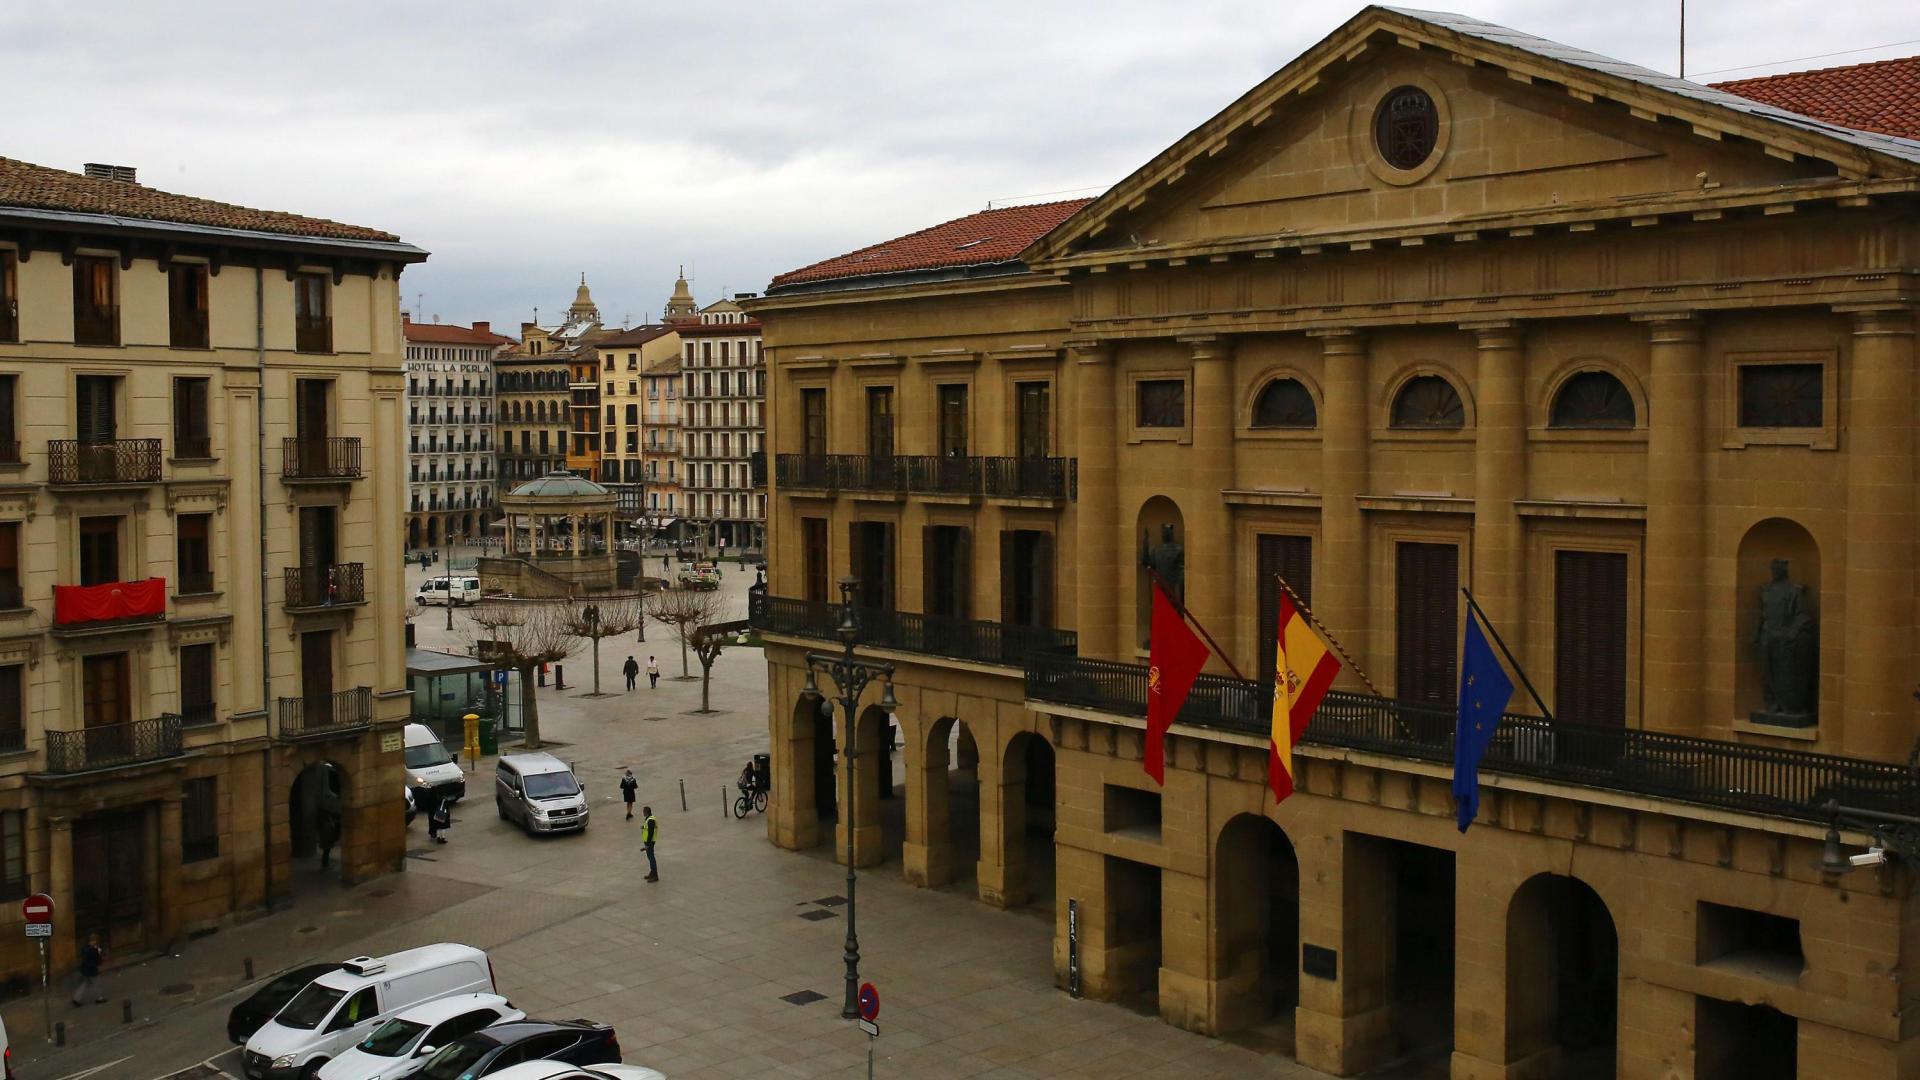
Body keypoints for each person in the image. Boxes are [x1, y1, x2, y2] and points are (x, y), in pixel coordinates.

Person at [71, 933, 104, 1006]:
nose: (94, 942)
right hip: (91, 969)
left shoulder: (86, 948)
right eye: (93, 941)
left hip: (86, 970)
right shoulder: (92, 949)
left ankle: (76, 998)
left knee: (84, 984)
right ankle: (99, 998)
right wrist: (98, 953)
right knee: (97, 983)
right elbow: (96, 960)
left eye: (95, 941)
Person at [641, 806, 659, 882]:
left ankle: (655, 875)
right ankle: (652, 872)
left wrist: (647, 844)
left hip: (650, 842)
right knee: (650, 857)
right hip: (649, 842)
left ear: (646, 812)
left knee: (651, 858)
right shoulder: (649, 819)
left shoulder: (651, 820)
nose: (643, 813)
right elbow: (648, 828)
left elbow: (651, 832)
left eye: (643, 811)